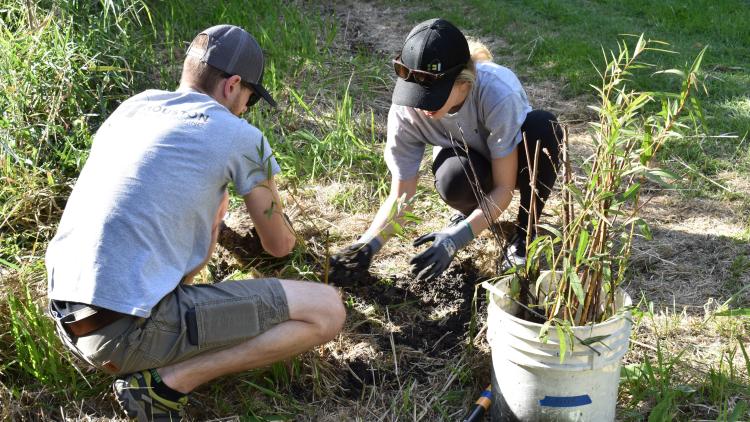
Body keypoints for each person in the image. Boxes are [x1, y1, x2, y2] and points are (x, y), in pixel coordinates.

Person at [45, 25, 346, 421]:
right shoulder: (241, 138)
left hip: (68, 316)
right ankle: (165, 384)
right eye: (249, 100)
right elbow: (279, 245)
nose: (244, 110)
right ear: (233, 85)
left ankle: (151, 362)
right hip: (122, 334)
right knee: (327, 309)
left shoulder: (134, 107)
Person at [329, 18, 561, 282]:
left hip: (515, 164)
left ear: (464, 82)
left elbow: (504, 188)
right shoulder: (406, 111)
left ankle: (525, 233)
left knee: (544, 127)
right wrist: (368, 245)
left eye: (433, 95)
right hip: (470, 166)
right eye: (416, 93)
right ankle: (467, 214)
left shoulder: (497, 91)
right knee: (452, 176)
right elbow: (401, 195)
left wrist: (457, 239)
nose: (422, 106)